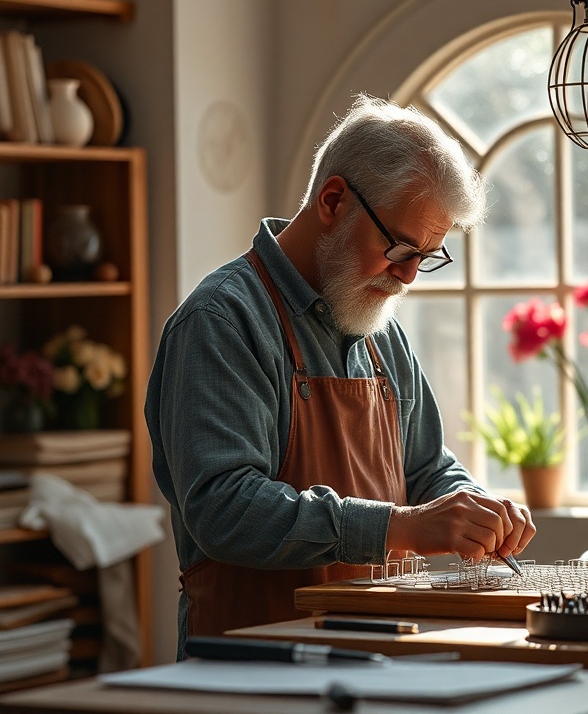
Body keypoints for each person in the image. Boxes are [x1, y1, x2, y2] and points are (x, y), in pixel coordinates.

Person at [146, 94, 536, 658]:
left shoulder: (378, 329)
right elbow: (223, 509)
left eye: (426, 256)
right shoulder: (222, 322)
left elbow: (425, 466)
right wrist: (400, 529)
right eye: (400, 247)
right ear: (333, 200)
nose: (407, 277)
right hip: (249, 669)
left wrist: (472, 508)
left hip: (377, 655)